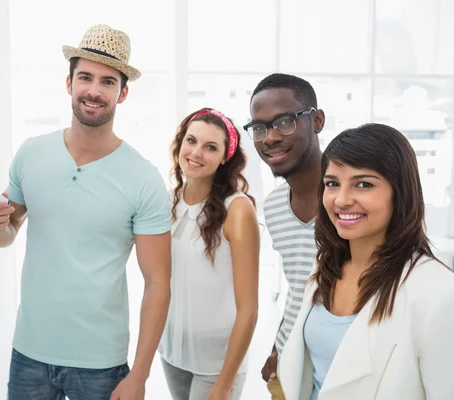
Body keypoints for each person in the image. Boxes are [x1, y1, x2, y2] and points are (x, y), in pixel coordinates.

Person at [0, 24, 172, 400]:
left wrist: (140, 376)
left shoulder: (143, 178)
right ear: (69, 83)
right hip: (29, 353)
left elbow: (158, 283)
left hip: (101, 364)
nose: (94, 91)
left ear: (123, 93)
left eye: (107, 81)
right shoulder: (31, 154)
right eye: (85, 77)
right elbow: (8, 233)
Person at [277, 123, 454, 399]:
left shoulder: (437, 290)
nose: (342, 200)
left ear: (400, 192)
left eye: (363, 184)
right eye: (332, 184)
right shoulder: (324, 267)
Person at [158, 108, 260, 400]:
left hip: (216, 364)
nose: (196, 153)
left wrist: (224, 385)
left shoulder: (237, 209)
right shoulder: (170, 200)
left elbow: (249, 308)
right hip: (172, 352)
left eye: (210, 147)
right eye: (191, 141)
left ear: (225, 157)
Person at [244, 74, 325, 399]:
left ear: (316, 120)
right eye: (260, 128)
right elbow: (299, 288)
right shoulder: (275, 206)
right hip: (293, 365)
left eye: (285, 122)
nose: (270, 138)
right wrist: (279, 347)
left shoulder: (351, 198)